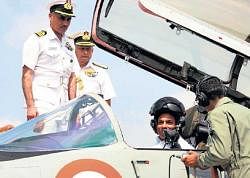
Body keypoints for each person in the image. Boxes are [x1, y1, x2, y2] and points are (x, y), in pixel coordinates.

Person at [181, 76, 250, 178]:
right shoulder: (245, 111)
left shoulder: (217, 113)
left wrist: (198, 160)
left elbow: (221, 153)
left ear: (203, 99)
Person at [22, 0, 76, 120]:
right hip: (42, 104)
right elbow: (27, 74)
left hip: (64, 106)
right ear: (50, 16)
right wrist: (30, 106)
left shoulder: (70, 44)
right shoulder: (37, 39)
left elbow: (72, 78)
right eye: (62, 18)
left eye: (69, 19)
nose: (65, 23)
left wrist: (74, 108)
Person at [72, 31, 116, 106]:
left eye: (88, 49)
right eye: (82, 48)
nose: (85, 52)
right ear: (75, 49)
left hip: (92, 116)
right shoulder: (68, 68)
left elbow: (107, 102)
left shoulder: (101, 72)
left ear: (92, 51)